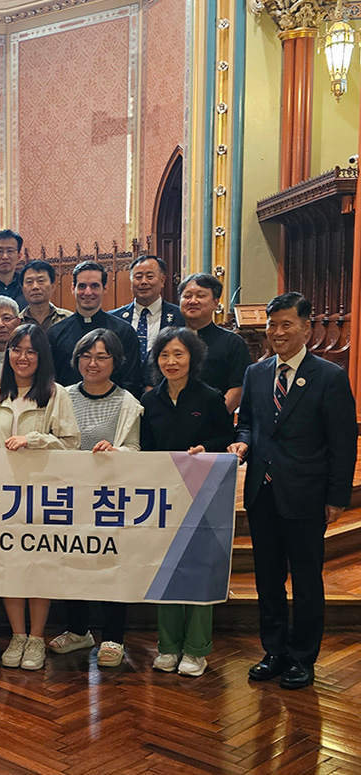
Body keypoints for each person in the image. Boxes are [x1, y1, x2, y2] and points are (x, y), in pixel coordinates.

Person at [230, 293, 357, 690]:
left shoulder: (330, 376)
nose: (277, 332)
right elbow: (247, 422)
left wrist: (337, 497)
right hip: (262, 492)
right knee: (267, 579)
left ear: (306, 328)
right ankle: (274, 650)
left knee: (305, 580)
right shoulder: (258, 373)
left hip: (305, 495)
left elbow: (343, 443)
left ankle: (303, 656)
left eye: (287, 324)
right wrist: (243, 442)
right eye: (272, 324)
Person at [140, 327, 234, 677]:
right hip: (163, 498)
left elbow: (228, 436)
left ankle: (196, 649)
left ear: (192, 358)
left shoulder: (210, 397)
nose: (171, 361)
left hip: (203, 495)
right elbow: (145, 448)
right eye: (164, 355)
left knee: (198, 570)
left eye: (178, 354)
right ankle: (168, 646)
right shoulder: (150, 401)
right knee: (167, 569)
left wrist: (204, 450)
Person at [0, 324, 80, 671]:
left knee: (38, 567)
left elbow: (72, 444)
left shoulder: (57, 395)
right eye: (16, 350)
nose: (22, 357)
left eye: (30, 351)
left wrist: (35, 439)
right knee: (10, 568)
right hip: (3, 496)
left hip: (44, 494)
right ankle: (17, 635)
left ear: (41, 357)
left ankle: (37, 637)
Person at [50, 329, 141, 668]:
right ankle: (78, 630)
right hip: (70, 494)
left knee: (111, 564)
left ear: (115, 362)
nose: (93, 363)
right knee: (72, 563)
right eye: (86, 356)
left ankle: (114, 636)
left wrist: (115, 451)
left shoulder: (128, 402)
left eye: (102, 357)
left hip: (110, 497)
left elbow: (135, 449)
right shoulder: (62, 396)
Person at [47, 261, 142, 398]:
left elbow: (131, 382)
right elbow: (50, 381)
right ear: (73, 288)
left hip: (112, 410)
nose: (88, 292)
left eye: (95, 286)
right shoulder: (55, 333)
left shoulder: (124, 332)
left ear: (105, 288)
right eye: (82, 286)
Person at [178, 272, 252, 413]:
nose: (193, 301)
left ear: (215, 302)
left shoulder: (232, 342)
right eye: (187, 296)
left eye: (200, 296)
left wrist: (214, 418)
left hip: (215, 426)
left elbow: (237, 389)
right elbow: (152, 382)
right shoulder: (168, 340)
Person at [110, 255, 181, 361]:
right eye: (138, 277)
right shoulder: (114, 318)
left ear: (162, 281)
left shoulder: (180, 316)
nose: (143, 282)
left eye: (150, 277)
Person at [19, 259, 71, 331]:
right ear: (22, 289)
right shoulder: (16, 322)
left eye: (41, 281)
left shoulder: (68, 319)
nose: (35, 287)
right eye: (29, 282)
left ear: (52, 286)